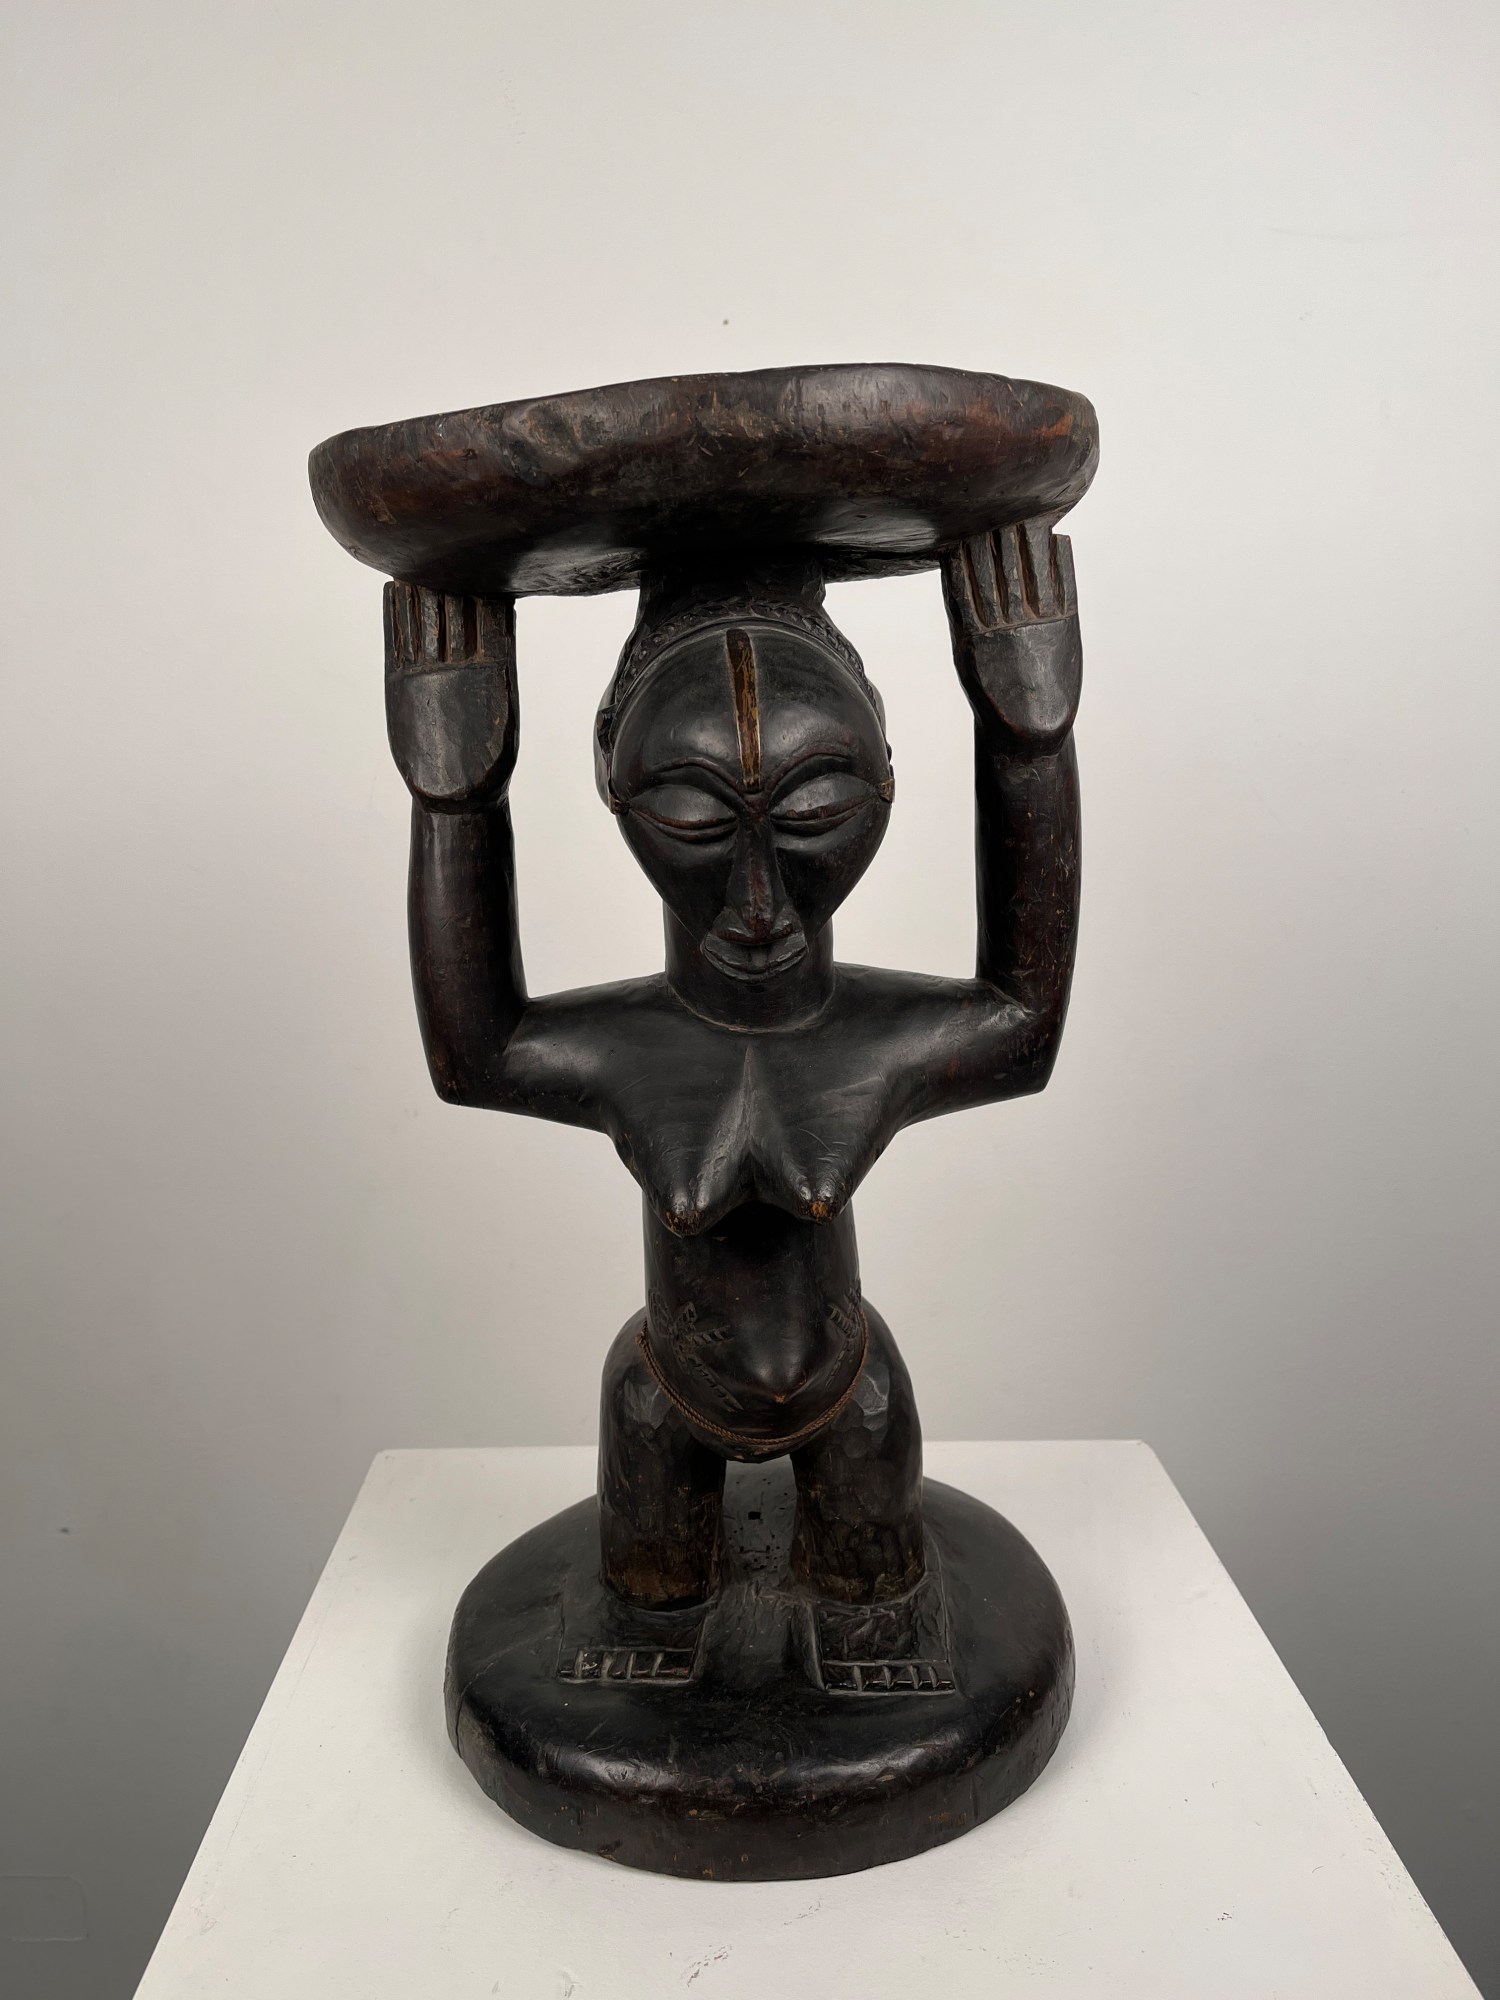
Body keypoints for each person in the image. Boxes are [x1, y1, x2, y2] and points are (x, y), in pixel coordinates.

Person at [385, 519, 1082, 1627]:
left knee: (879, 1613)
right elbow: (470, 1052)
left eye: (816, 810)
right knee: (646, 1616)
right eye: (695, 816)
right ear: (611, 780)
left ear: (888, 777)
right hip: (660, 1404)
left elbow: (1025, 1022)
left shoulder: (872, 1037)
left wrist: (1028, 735)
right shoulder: (632, 1046)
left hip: (854, 1399)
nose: (759, 902)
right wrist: (456, 792)